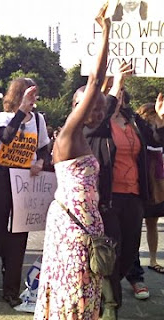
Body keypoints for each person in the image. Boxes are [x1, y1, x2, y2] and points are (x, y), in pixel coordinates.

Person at [34, 4, 111, 319]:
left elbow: (102, 90)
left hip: (82, 228)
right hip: (72, 230)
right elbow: (95, 82)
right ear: (75, 106)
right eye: (91, 107)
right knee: (73, 291)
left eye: (101, 109)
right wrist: (107, 32)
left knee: (84, 291)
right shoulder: (68, 135)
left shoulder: (82, 135)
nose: (97, 113)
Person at [84, 65, 164, 318]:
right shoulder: (96, 124)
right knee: (110, 252)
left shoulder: (134, 122)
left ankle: (105, 294)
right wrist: (115, 82)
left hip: (134, 197)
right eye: (112, 94)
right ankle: (109, 306)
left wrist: (160, 121)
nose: (117, 97)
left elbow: (155, 145)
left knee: (129, 252)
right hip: (108, 198)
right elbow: (103, 113)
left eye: (119, 94)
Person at [0, 77, 50, 308]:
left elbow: (44, 149)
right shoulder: (3, 118)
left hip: (26, 178)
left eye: (34, 96)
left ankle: (11, 288)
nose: (33, 100)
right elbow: (6, 137)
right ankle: (7, 266)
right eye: (29, 95)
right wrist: (21, 110)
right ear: (18, 94)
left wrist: (41, 162)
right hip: (3, 175)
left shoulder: (39, 120)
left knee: (19, 233)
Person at [135, 102, 164, 274]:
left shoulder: (160, 129)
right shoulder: (139, 128)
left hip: (157, 184)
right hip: (142, 181)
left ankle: (153, 259)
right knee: (135, 225)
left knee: (152, 223)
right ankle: (134, 262)